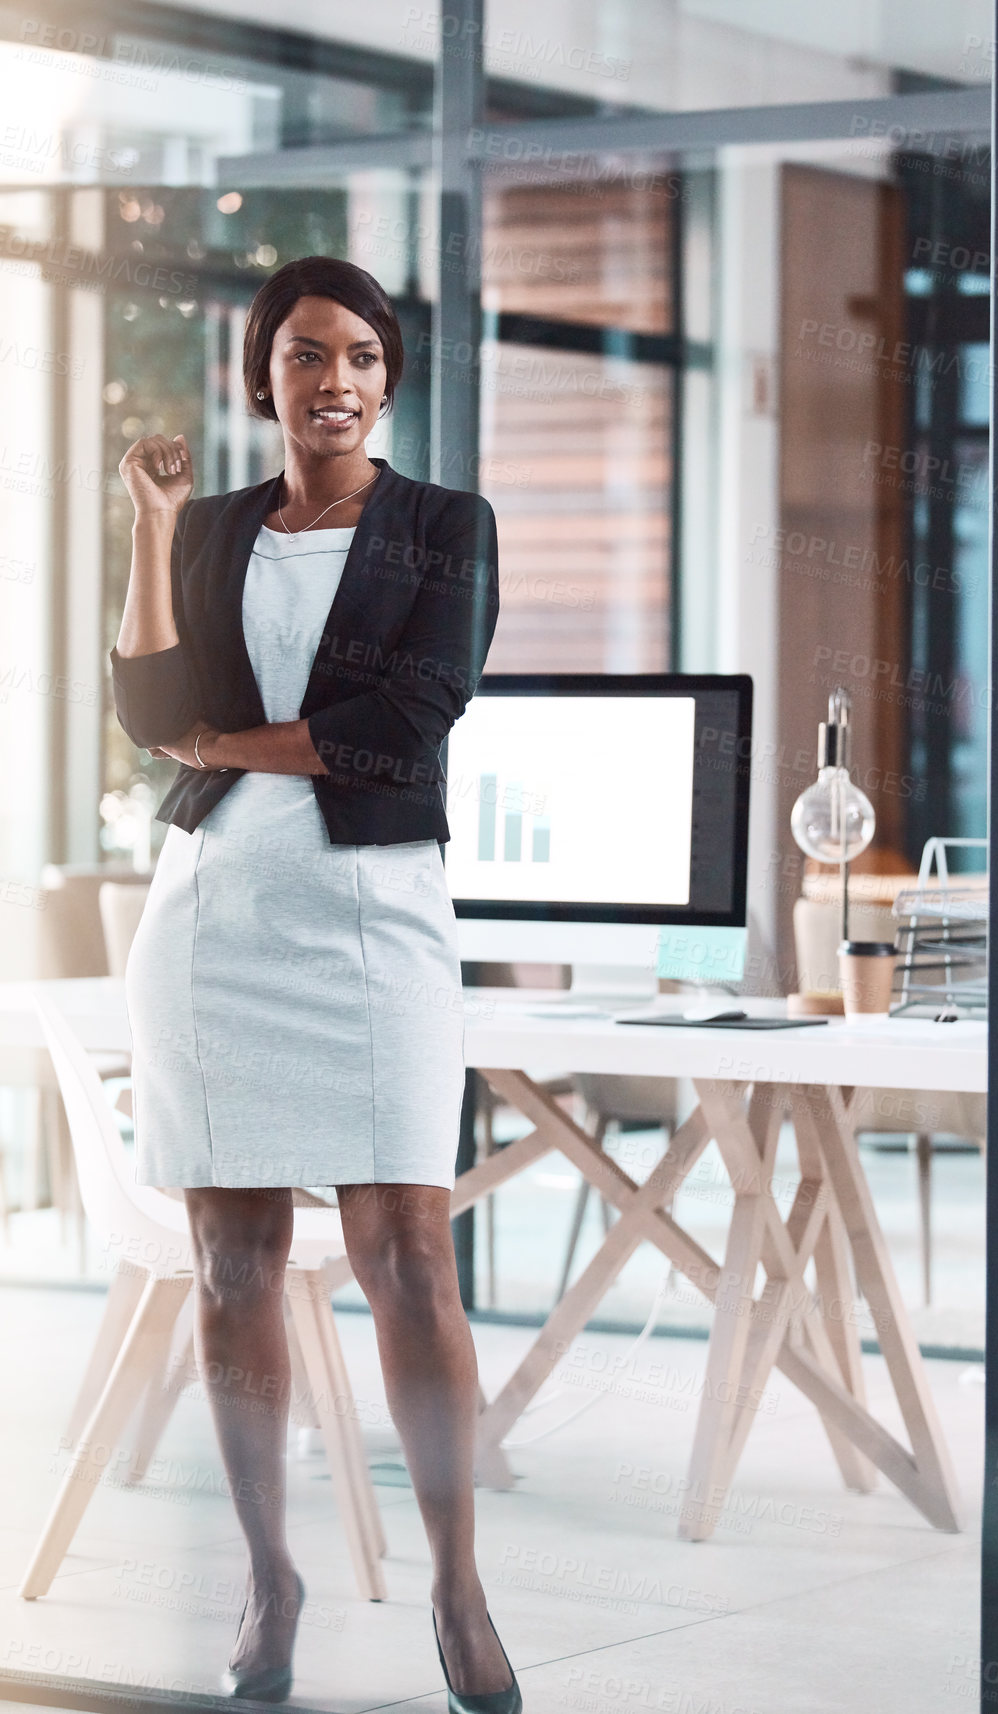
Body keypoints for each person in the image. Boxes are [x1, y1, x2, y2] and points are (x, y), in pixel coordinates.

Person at [111, 255, 519, 1712]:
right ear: (262, 377)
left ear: (386, 376)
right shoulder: (214, 527)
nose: (329, 378)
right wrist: (152, 526)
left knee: (411, 1257)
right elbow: (151, 709)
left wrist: (224, 744)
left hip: (373, 921)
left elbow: (403, 727)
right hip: (213, 922)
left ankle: (458, 1588)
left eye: (355, 353)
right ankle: (265, 1573)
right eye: (300, 355)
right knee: (234, 1268)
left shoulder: (443, 527)